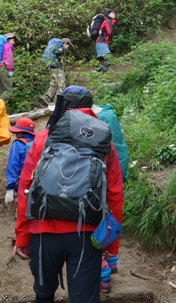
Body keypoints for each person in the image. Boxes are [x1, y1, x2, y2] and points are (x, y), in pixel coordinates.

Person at [13, 85, 124, 303]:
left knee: (44, 296)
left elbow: (26, 188)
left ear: (63, 106)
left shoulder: (43, 138)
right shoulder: (102, 141)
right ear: (90, 108)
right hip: (86, 234)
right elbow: (114, 194)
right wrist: (110, 244)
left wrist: (22, 236)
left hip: (44, 232)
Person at [4, 118, 36, 204]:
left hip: (24, 180)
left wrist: (10, 187)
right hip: (38, 180)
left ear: (19, 132)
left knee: (23, 206)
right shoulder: (38, 142)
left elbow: (13, 165)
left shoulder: (17, 144)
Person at [40, 37, 73, 106]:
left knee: (54, 83)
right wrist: (59, 60)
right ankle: (58, 101)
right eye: (68, 45)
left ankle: (47, 97)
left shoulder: (55, 46)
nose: (68, 47)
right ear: (65, 43)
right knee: (61, 83)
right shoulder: (60, 48)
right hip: (56, 67)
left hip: (51, 66)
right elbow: (58, 53)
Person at [0, 33, 17, 104]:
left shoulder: (1, 47)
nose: (13, 42)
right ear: (8, 40)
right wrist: (10, 73)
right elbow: (9, 61)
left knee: (2, 92)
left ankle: (0, 112)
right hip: (3, 69)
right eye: (12, 40)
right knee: (9, 91)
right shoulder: (8, 46)